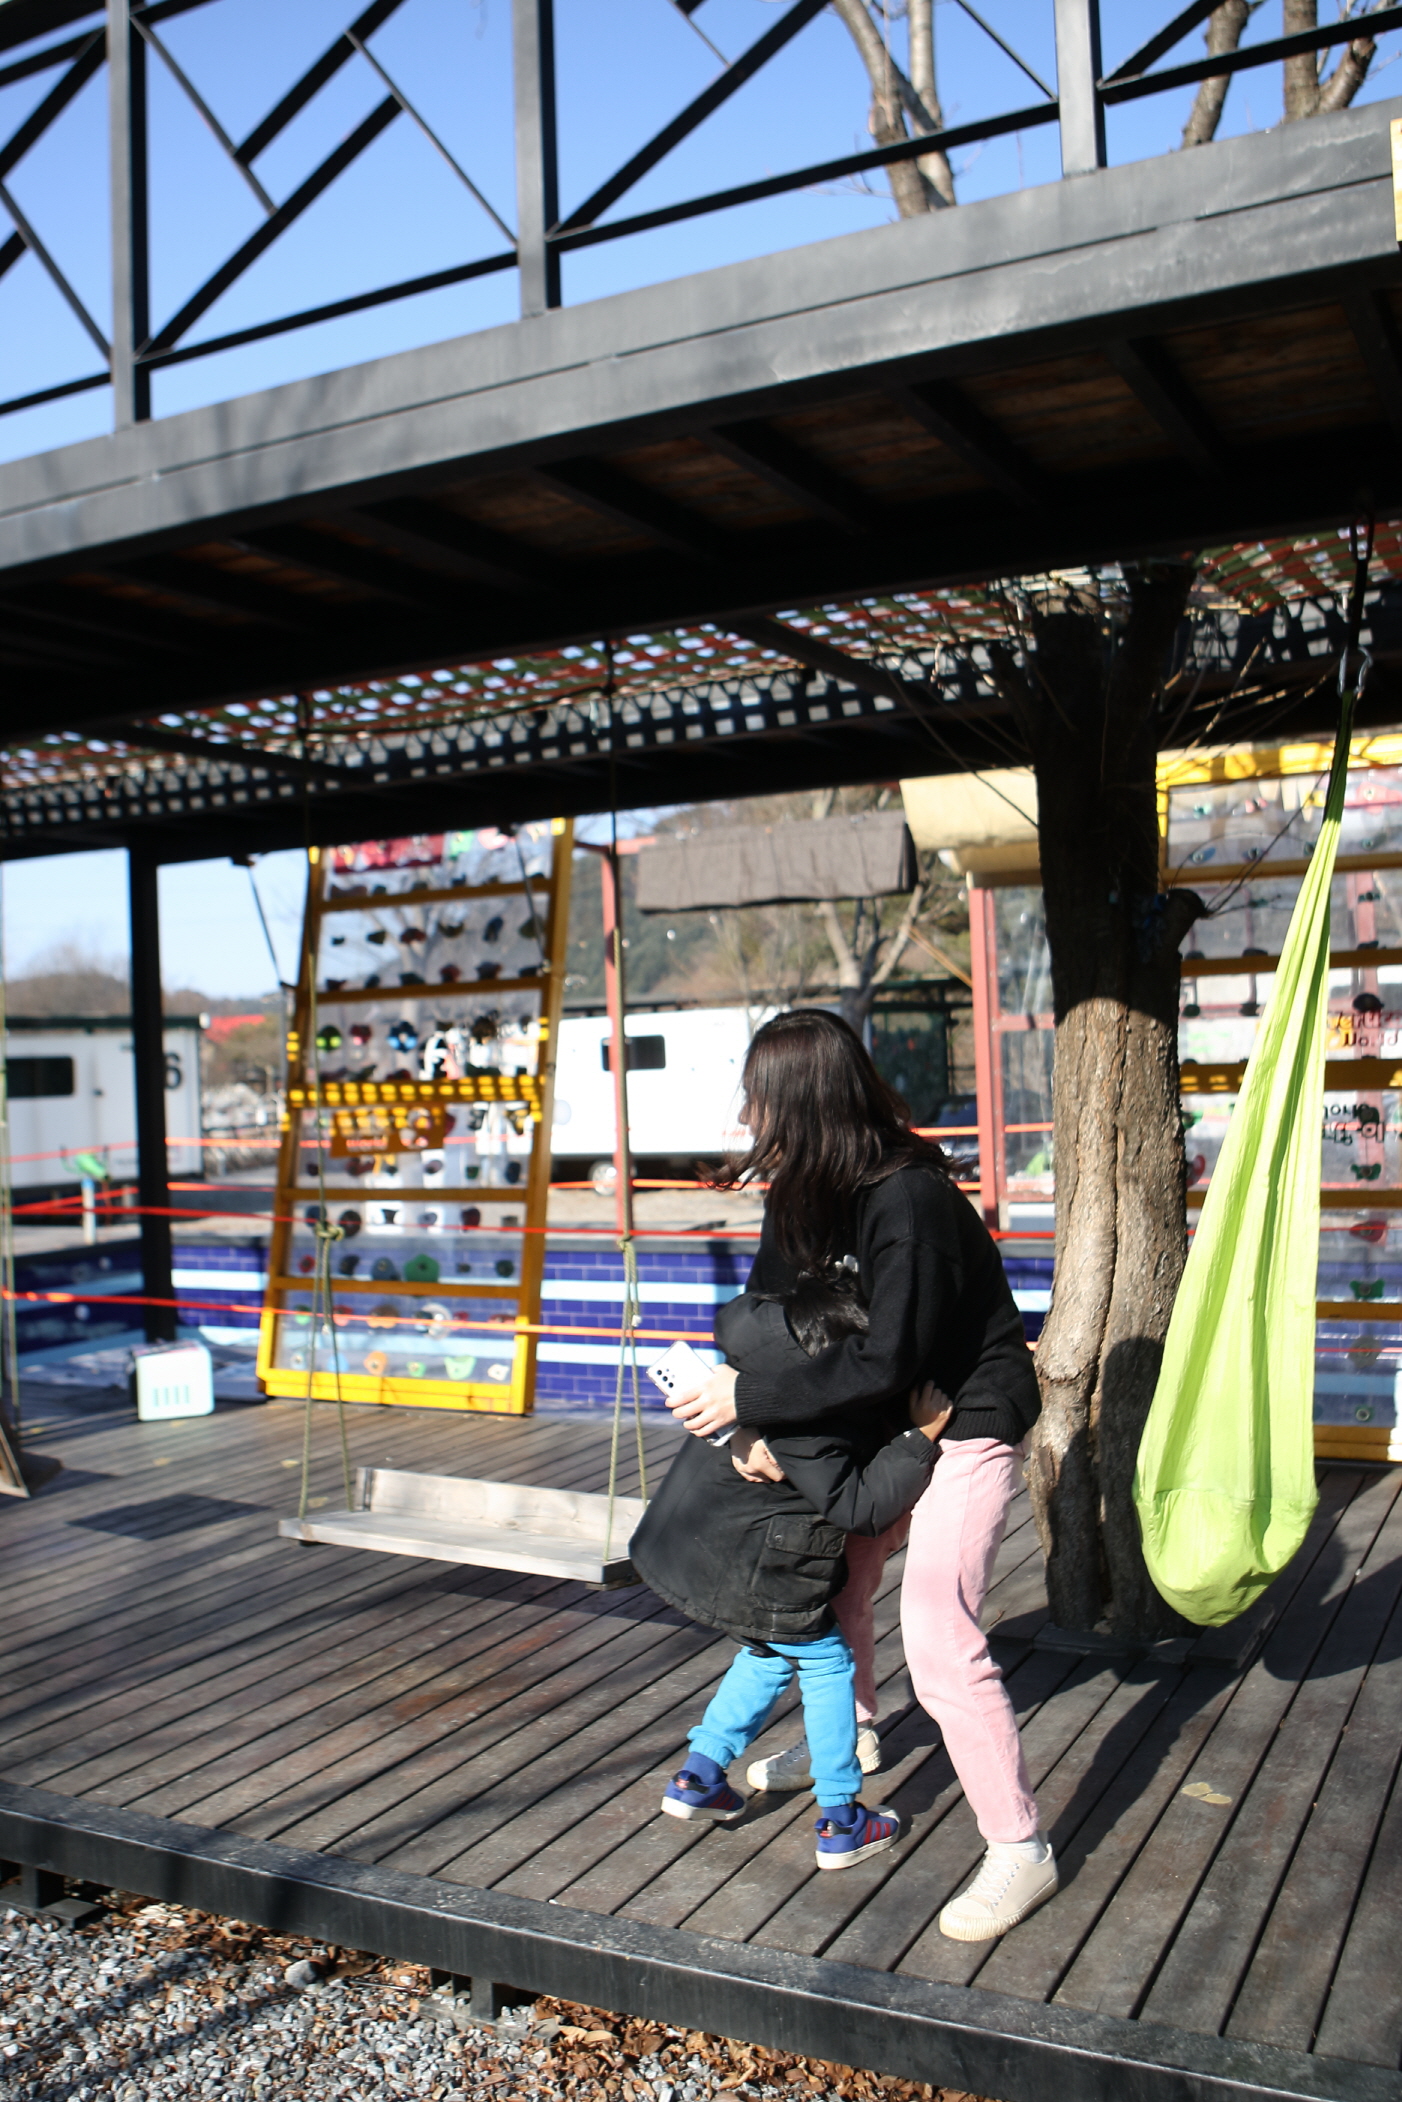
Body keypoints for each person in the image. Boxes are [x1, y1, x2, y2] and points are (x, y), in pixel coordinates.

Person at [664, 1009, 1056, 1943]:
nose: (749, 1117)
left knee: (939, 1629)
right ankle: (854, 1734)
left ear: (804, 1103)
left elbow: (891, 1360)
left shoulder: (909, 1201)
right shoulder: (803, 1192)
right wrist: (751, 1424)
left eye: (759, 1099)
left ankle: (1020, 1848)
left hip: (960, 1412)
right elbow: (766, 1315)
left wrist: (752, 1397)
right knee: (834, 1587)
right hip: (877, 1412)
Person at [631, 1267, 951, 1869]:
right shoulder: (810, 1419)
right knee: (828, 1662)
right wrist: (921, 1436)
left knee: (767, 1653)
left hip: (711, 1552)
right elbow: (861, 1508)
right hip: (770, 1562)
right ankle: (841, 1819)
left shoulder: (749, 1367)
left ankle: (699, 1777)